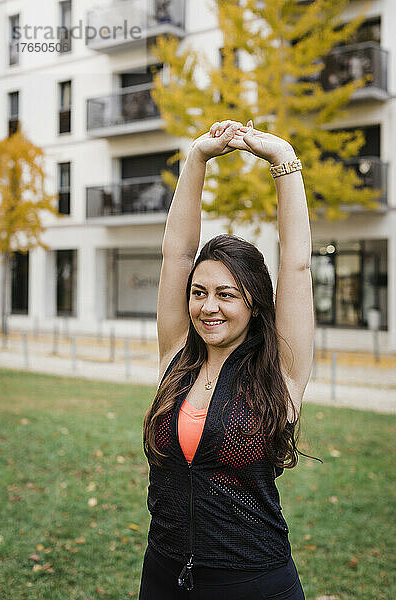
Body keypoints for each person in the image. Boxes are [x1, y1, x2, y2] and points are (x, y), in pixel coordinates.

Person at [139, 119, 317, 599]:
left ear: (254, 301)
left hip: (253, 581)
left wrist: (283, 161)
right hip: (164, 572)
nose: (207, 307)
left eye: (226, 295)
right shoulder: (177, 355)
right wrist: (196, 157)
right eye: (199, 293)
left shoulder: (281, 371)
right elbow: (175, 255)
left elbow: (296, 263)